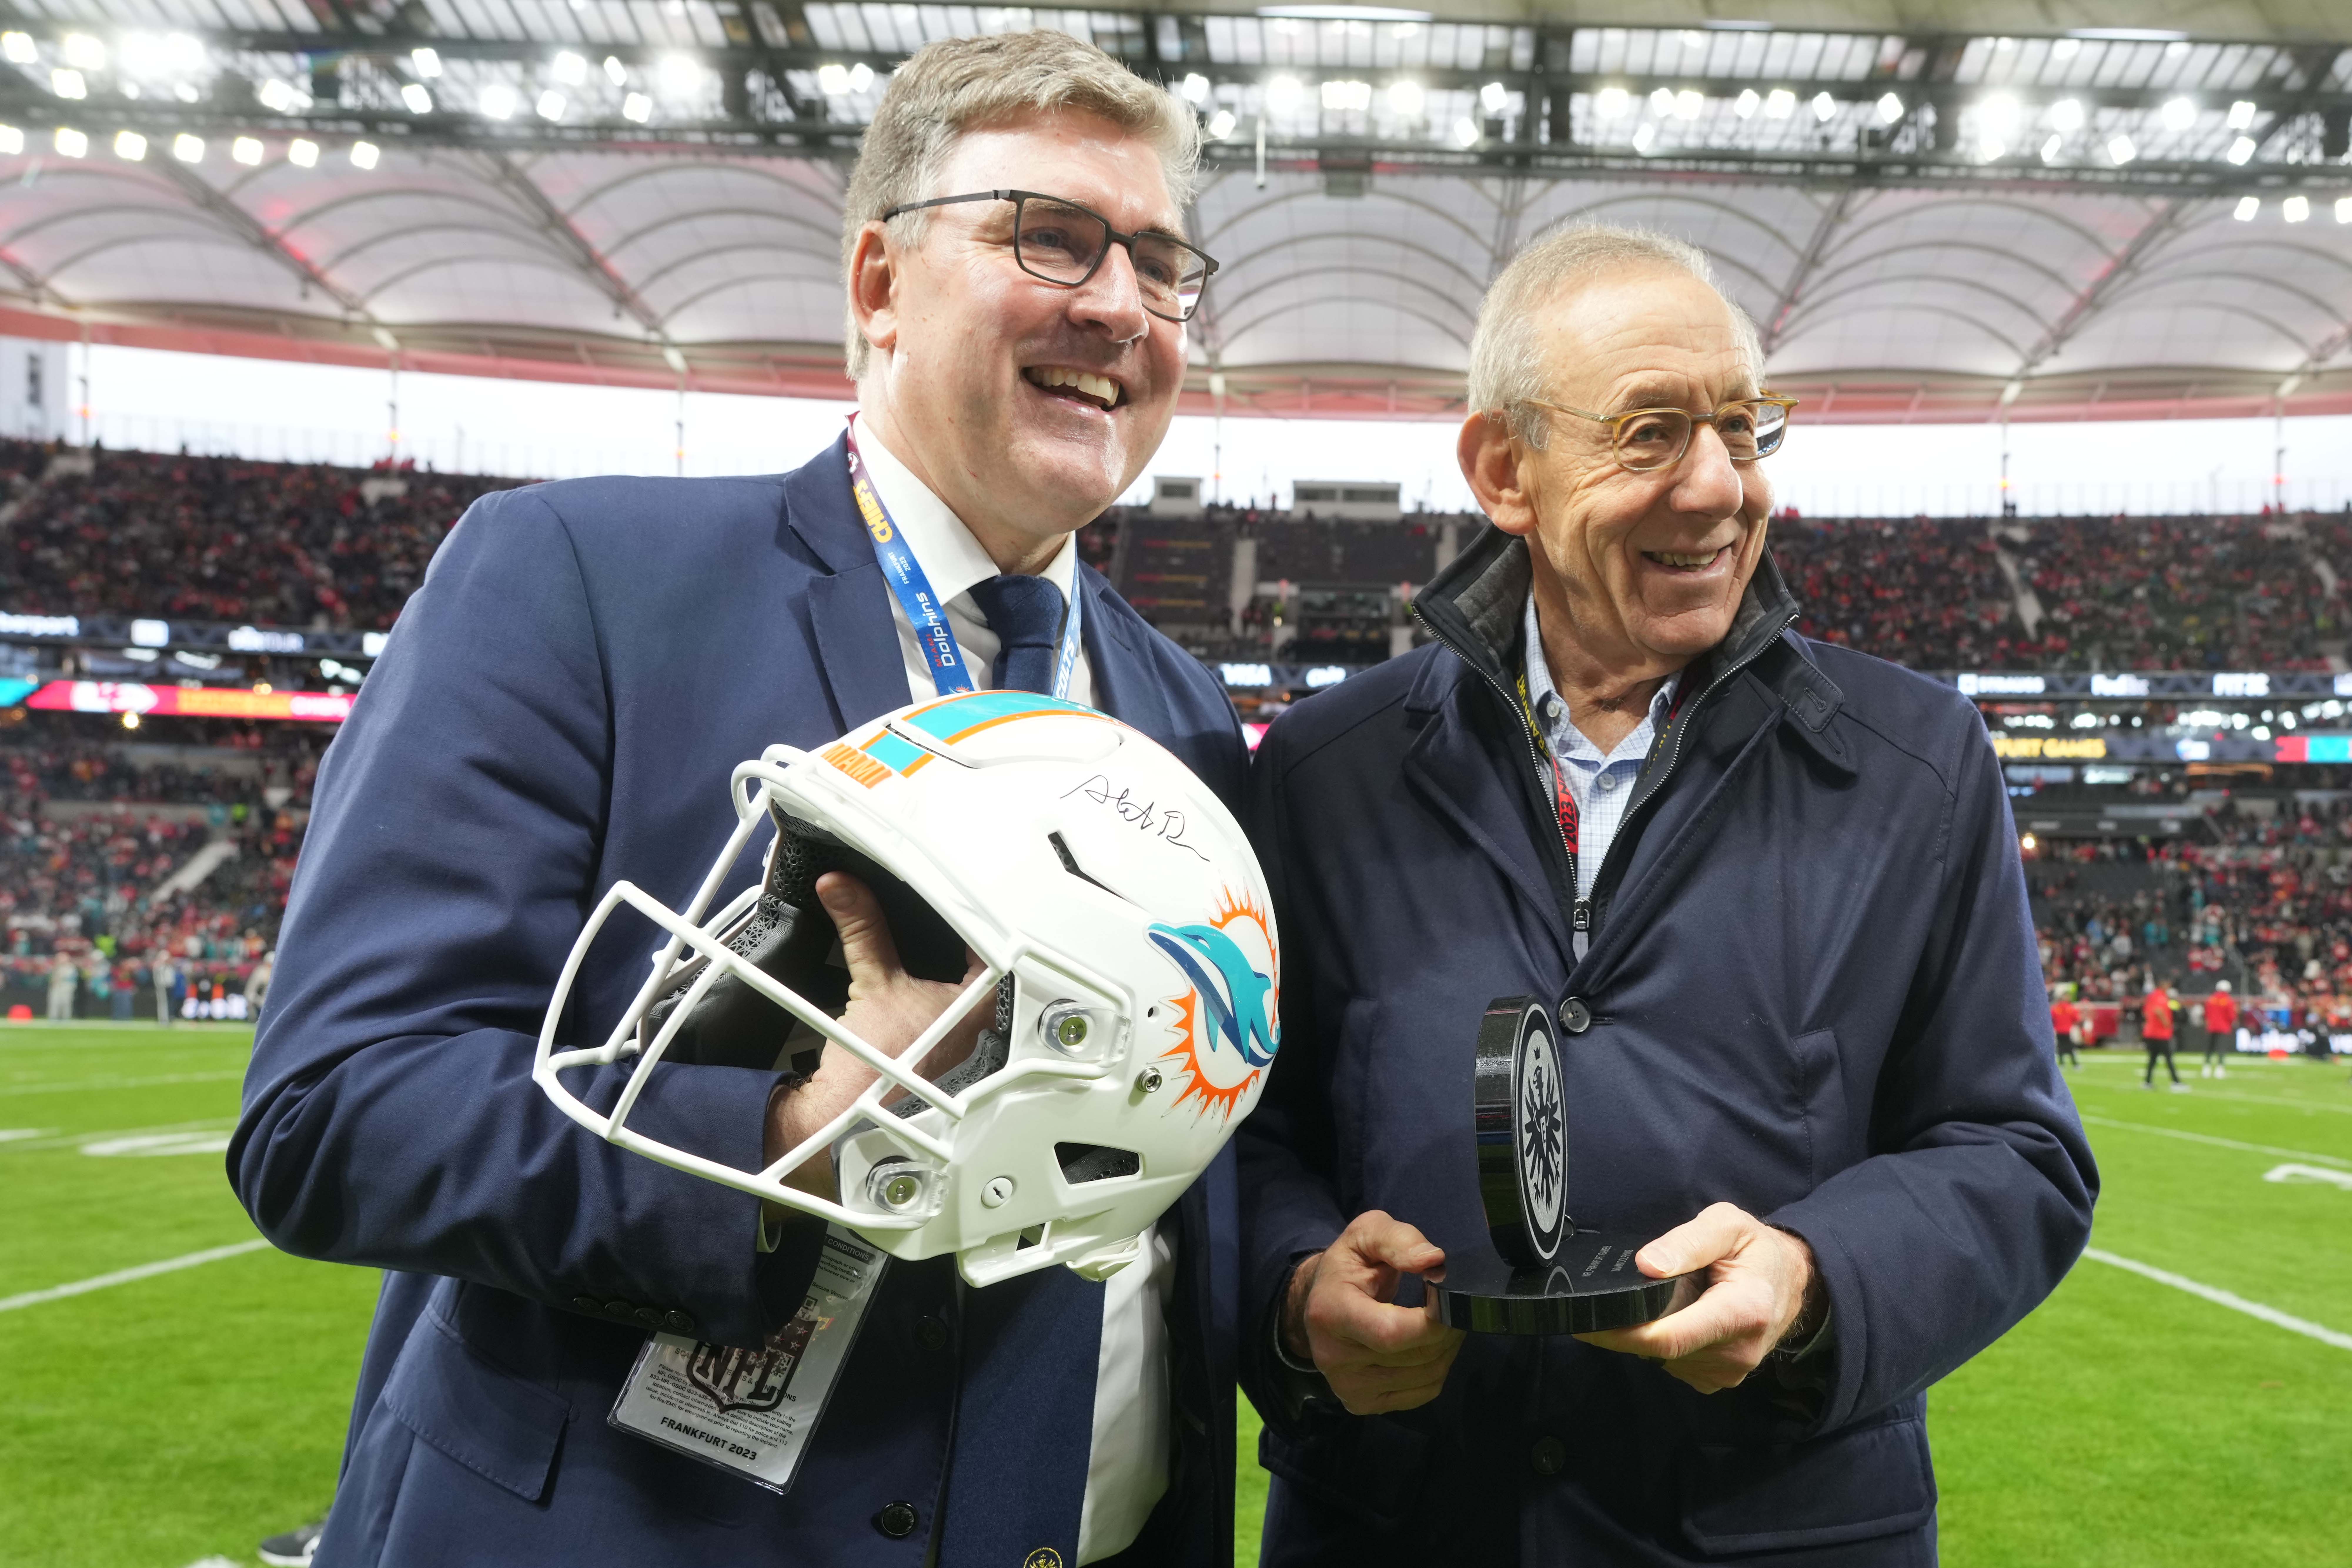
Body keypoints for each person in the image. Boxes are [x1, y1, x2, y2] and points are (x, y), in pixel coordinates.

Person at [233, 32, 1243, 1568]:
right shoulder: (575, 582)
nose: (1118, 303)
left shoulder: (1183, 714)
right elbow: (335, 1112)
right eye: (1053, 234)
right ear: (879, 284)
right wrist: (788, 1139)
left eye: (1164, 265)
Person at [1236, 224, 2096, 1562]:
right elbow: (1235, 1131)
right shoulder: (1319, 771)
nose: (1716, 487)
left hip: (1776, 1527)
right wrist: (1293, 1291)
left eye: (1744, 430)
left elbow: (2017, 1152)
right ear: (1503, 471)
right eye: (1648, 433)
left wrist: (1817, 1284)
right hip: (1395, 1523)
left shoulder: (1916, 763)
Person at [2142, 979, 2182, 1090]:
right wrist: (2166, 1023)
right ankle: (2177, 1083)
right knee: (2168, 1058)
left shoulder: (2152, 996)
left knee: (2153, 1059)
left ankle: (2147, 1082)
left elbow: (2146, 1012)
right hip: (2160, 1034)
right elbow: (2159, 1011)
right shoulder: (2160, 997)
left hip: (2151, 1032)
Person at [2201, 979, 2235, 1078]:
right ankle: (2220, 1069)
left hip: (2211, 1027)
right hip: (2224, 1028)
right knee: (2221, 1049)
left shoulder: (2211, 999)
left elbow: (2206, 1014)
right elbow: (2231, 1016)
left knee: (2209, 1049)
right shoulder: (2228, 1001)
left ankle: (2206, 1068)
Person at [2051, 987, 2080, 1068]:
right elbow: (2076, 1019)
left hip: (2060, 1030)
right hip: (2068, 1030)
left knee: (2061, 1047)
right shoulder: (2070, 1008)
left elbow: (2052, 1019)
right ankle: (2075, 1064)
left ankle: (2062, 1064)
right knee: (2070, 1047)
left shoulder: (2056, 1008)